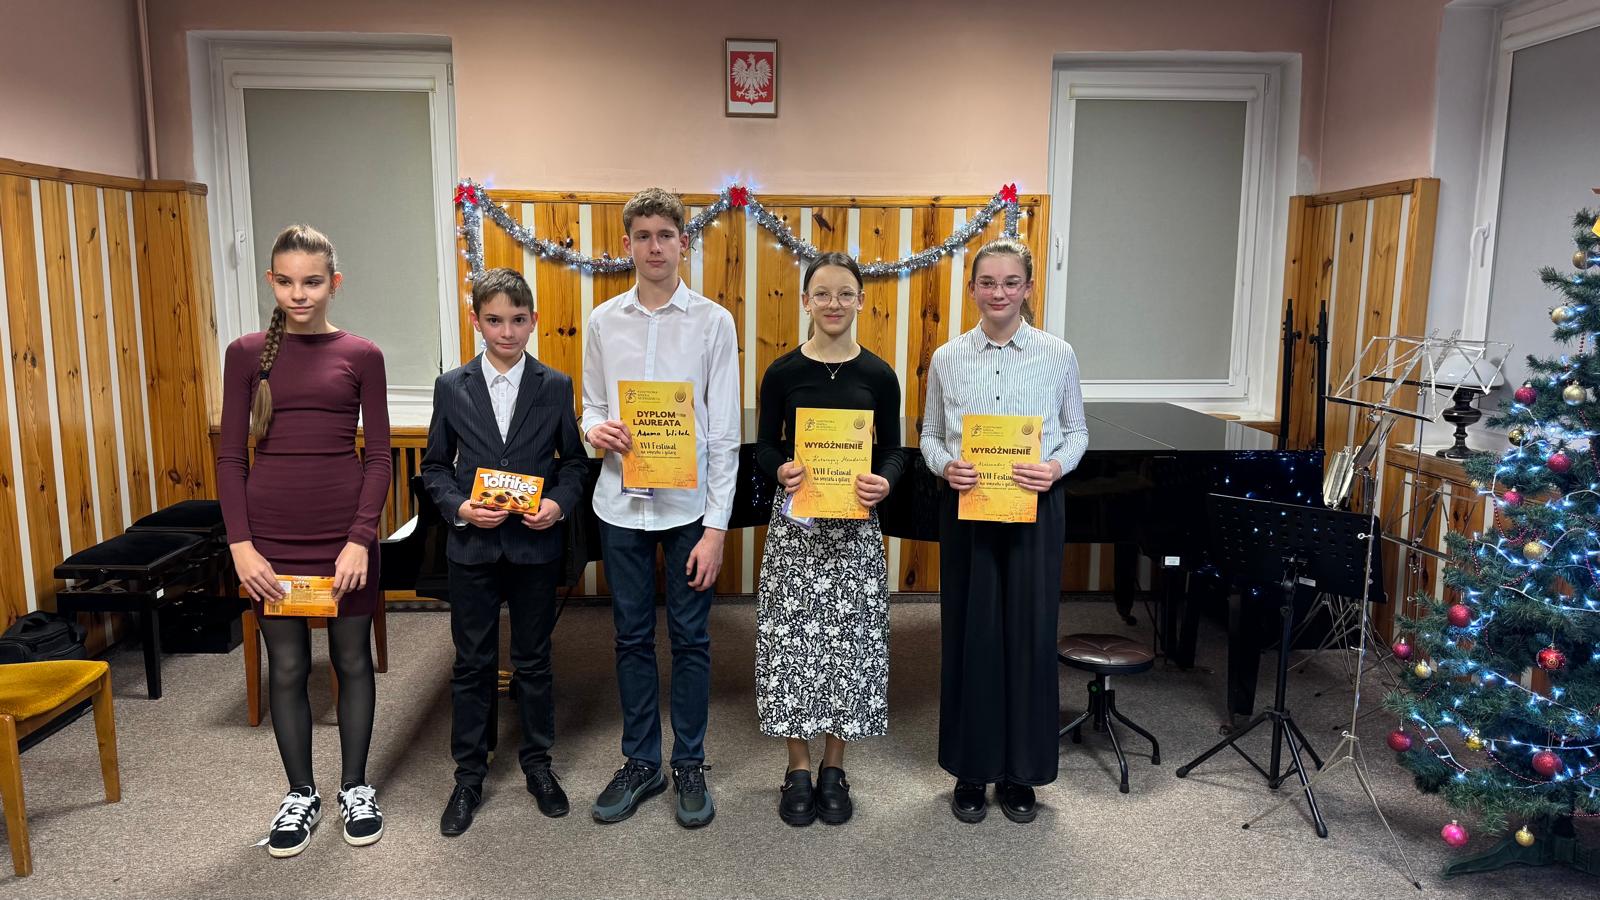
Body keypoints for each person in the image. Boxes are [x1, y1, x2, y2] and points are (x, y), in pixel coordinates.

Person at [218, 224, 390, 857]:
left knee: (351, 660)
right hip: (271, 541)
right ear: (271, 281)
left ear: (333, 283)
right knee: (287, 666)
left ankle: (355, 787)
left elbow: (379, 458)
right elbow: (230, 458)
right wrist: (241, 546)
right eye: (287, 282)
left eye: (312, 282)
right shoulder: (245, 354)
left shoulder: (363, 355)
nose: (299, 294)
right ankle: (300, 794)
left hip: (344, 538)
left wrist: (360, 539)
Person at [581, 188, 740, 828]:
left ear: (683, 242)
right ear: (628, 244)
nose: (654, 247)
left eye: (665, 235)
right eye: (643, 236)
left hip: (687, 510)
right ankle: (642, 760)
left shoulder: (713, 322)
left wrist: (717, 528)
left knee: (691, 639)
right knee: (629, 637)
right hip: (620, 504)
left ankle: (690, 762)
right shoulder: (602, 321)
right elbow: (592, 406)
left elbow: (723, 433)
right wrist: (596, 429)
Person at [919, 237, 1088, 825]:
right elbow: (930, 436)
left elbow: (1077, 433)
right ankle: (972, 768)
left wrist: (1055, 468)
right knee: (972, 637)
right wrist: (946, 465)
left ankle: (1020, 773)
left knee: (1029, 637)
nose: (999, 292)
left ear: (1028, 288)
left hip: (1035, 509)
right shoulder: (947, 358)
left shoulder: (1058, 353)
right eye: (987, 282)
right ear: (972, 289)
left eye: (1011, 282)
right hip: (969, 511)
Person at [421, 267, 590, 836]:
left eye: (518, 320)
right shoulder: (451, 386)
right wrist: (460, 508)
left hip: (533, 547)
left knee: (534, 660)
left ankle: (537, 763)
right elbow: (435, 467)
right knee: (472, 663)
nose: (507, 332)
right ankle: (469, 775)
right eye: (495, 320)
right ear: (476, 321)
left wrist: (559, 505)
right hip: (472, 546)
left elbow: (573, 463)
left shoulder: (555, 385)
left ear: (533, 320)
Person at [754, 252, 904, 826]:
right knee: (790, 644)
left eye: (845, 293)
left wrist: (885, 480)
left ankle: (834, 766)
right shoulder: (783, 372)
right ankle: (797, 766)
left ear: (861, 301)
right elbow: (765, 445)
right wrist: (780, 468)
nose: (834, 304)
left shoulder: (879, 375)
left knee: (850, 647)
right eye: (822, 293)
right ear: (805, 301)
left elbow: (894, 450)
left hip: (856, 526)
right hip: (799, 528)